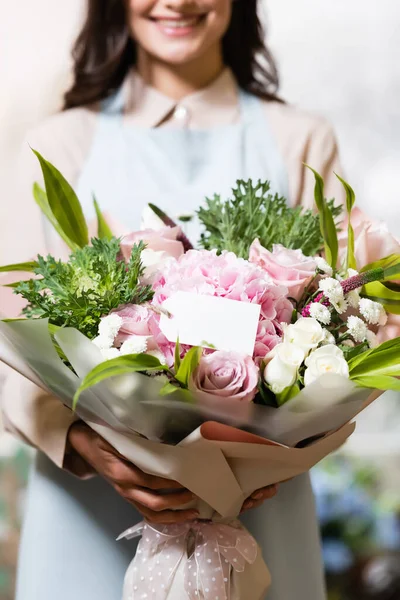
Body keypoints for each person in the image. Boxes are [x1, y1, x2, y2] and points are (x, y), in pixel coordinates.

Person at [1, 1, 345, 599]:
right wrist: (85, 448)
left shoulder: (301, 139)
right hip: (88, 512)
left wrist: (265, 465)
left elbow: (348, 322)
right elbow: (10, 328)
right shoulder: (58, 142)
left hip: (263, 511)